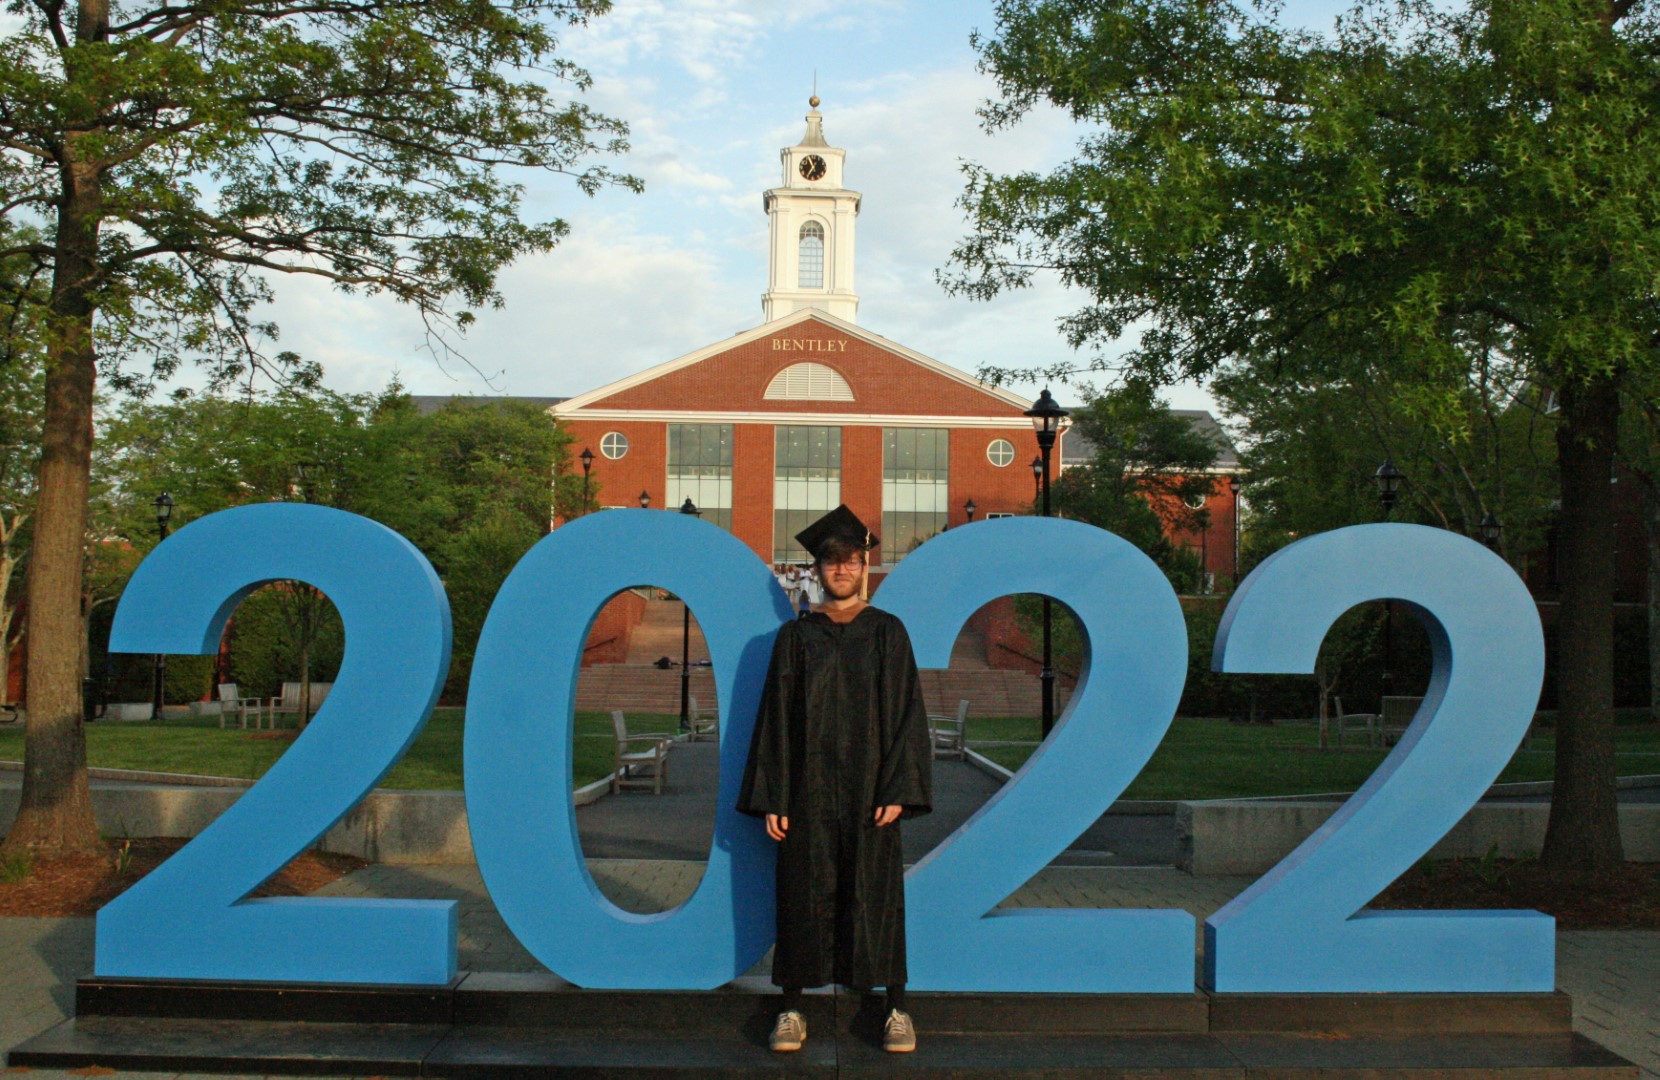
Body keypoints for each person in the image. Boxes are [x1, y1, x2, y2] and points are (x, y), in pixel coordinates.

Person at [738, 504, 933, 1054]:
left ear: (864, 566)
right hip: (808, 792)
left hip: (873, 792)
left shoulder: (888, 633)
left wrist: (898, 787)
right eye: (831, 560)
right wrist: (773, 795)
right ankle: (792, 1006)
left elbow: (906, 714)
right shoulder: (796, 638)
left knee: (878, 894)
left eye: (850, 559)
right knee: (801, 892)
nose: (841, 569)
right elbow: (775, 715)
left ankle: (895, 1006)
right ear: (817, 570)